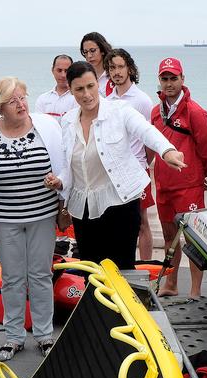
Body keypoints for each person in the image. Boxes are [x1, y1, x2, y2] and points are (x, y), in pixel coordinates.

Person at [44, 61, 186, 271]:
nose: (87, 94)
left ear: (98, 84)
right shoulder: (67, 120)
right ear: (71, 91)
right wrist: (60, 181)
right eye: (79, 89)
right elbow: (70, 165)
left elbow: (147, 131)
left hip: (120, 203)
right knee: (91, 270)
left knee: (120, 270)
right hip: (84, 207)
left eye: (90, 86)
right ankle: (95, 305)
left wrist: (167, 151)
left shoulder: (119, 110)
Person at [0, 77, 65, 362]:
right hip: (5, 218)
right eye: (13, 100)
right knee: (11, 279)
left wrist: (61, 194)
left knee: (41, 276)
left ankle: (45, 335)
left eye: (22, 97)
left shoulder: (46, 125)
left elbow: (64, 164)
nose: (21, 104)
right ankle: (13, 337)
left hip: (43, 215)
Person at [150, 57, 207, 298]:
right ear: (160, 80)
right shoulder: (155, 113)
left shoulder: (194, 112)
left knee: (192, 240)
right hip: (164, 186)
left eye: (173, 78)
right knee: (170, 237)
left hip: (188, 187)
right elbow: (152, 147)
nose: (169, 84)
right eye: (165, 78)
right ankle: (171, 283)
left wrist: (198, 176)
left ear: (182, 79)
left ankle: (195, 291)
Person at [104, 48, 155, 261]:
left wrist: (142, 164)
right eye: (112, 67)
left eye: (120, 66)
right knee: (115, 222)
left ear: (130, 69)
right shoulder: (106, 100)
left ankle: (145, 270)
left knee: (142, 222)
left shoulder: (142, 100)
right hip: (114, 172)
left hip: (137, 170)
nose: (116, 72)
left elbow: (150, 139)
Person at [34, 54, 77, 123]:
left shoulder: (78, 98)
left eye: (66, 71)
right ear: (52, 70)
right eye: (59, 70)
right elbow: (39, 125)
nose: (63, 75)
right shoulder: (42, 99)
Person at [80, 32, 114, 96]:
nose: (89, 55)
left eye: (92, 50)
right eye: (85, 52)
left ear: (102, 50)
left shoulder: (113, 75)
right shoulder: (83, 76)